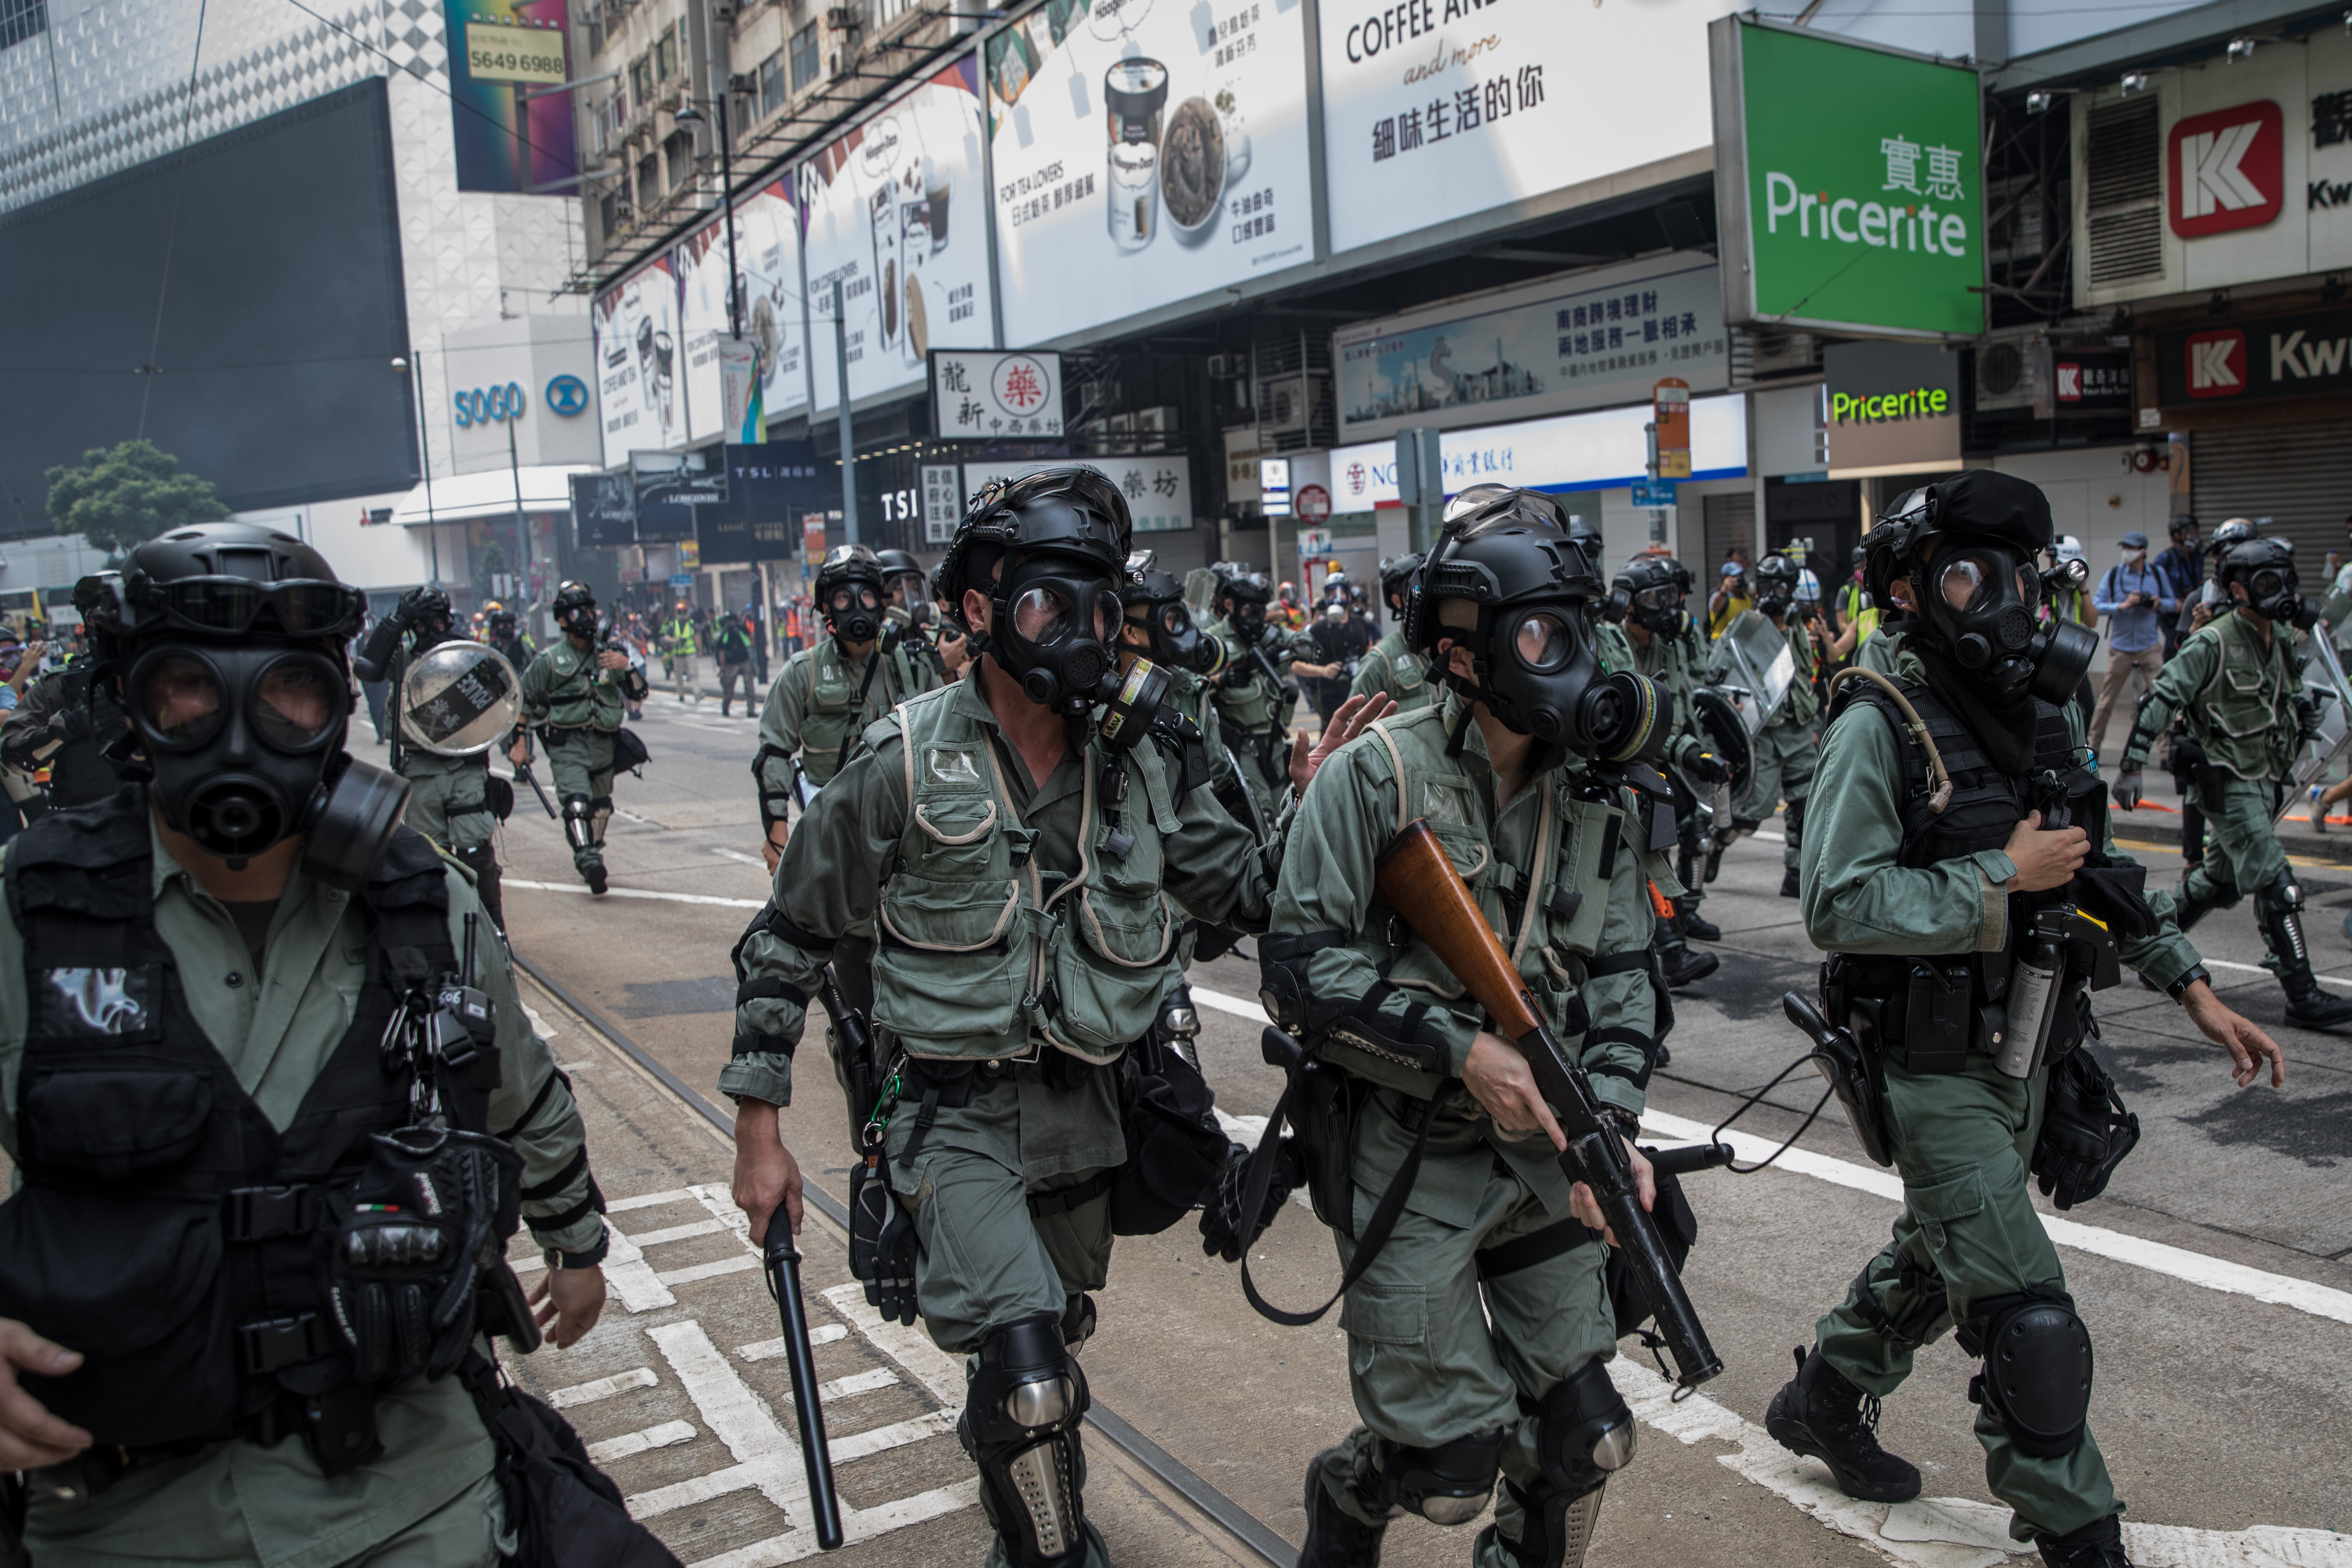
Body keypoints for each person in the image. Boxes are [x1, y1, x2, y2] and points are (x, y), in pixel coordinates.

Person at [725, 467, 1361, 1568]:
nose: (1081, 634)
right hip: (950, 1116)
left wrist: (1327, 795)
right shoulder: (905, 761)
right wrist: (758, 1129)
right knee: (1025, 1373)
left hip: (1088, 1116)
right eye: (1046, 607)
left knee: (1051, 1349)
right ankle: (1046, 1556)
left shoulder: (1140, 765)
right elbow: (786, 936)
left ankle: (1042, 1494)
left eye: (1101, 611)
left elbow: (1254, 893)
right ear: (979, 611)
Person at [0, 521, 614, 1567]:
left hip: (416, 1495)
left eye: (289, 688)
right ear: (130, 701)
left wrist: (577, 1240)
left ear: (335, 705)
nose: (241, 728)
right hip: (123, 1523)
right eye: (189, 684)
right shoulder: (30, 918)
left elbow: (522, 1092)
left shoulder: (426, 905)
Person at [1783, 472, 2283, 1568]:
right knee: (2024, 1311)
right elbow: (1834, 903)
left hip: (2030, 1046)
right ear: (1912, 593)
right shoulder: (1878, 721)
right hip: (1929, 1063)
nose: (1998, 598)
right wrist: (1995, 877)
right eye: (1966, 575)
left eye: (2012, 574)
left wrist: (2191, 988)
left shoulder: (2039, 712)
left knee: (1939, 1248)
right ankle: (2075, 1531)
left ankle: (1820, 1397)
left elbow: (2095, 870)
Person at [1258, 486, 1676, 1568]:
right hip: (1410, 1160)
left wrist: (1610, 1124)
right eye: (1540, 635)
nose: (1572, 658)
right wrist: (1460, 1048)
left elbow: (1627, 973)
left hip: (1541, 1157)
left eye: (1578, 632)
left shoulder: (1592, 799)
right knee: (1444, 1475)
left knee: (1589, 1441)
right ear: (1458, 656)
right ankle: (1351, 1494)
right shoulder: (1372, 775)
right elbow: (1297, 972)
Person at [2114, 536, 2352, 1027]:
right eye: (2267, 583)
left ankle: (2149, 952)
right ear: (2238, 590)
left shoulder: (2280, 639)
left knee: (2217, 882)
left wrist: (2303, 712)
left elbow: (2286, 697)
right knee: (2276, 882)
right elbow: (2157, 699)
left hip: (2264, 776)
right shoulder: (2214, 641)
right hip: (2226, 779)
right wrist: (2131, 766)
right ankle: (2302, 996)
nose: (2280, 592)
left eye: (2285, 580)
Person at [751, 544, 938, 871]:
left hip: (905, 828)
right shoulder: (802, 672)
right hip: (831, 829)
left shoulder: (914, 667)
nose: (856, 606)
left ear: (880, 602)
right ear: (826, 607)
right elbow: (774, 754)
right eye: (842, 597)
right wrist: (777, 833)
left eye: (866, 595)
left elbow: (947, 743)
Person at [352, 587, 513, 929]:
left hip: (465, 765)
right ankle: (444, 930)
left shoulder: (466, 653)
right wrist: (396, 624)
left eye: (437, 622)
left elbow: (501, 689)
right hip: (421, 766)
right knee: (429, 859)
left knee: (476, 853)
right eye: (423, 625)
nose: (431, 630)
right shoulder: (405, 657)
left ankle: (494, 927)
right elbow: (367, 667)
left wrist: (456, 644)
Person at [1610, 552, 1729, 962]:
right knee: (1649, 841)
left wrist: (1704, 750)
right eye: (1655, 599)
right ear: (1628, 603)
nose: (1667, 608)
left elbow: (1685, 698)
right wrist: (1686, 751)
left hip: (1666, 754)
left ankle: (1686, 912)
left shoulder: (1668, 644)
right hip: (1623, 761)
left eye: (1669, 597)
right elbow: (1639, 720)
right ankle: (1671, 948)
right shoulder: (1610, 641)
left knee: (1698, 832)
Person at [511, 581, 649, 896]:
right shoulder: (549, 660)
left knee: (600, 807)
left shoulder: (611, 655)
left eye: (590, 610)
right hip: (567, 744)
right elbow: (522, 699)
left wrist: (627, 668)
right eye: (578, 612)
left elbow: (639, 692)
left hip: (604, 743)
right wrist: (519, 742)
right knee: (576, 803)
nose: (587, 617)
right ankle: (588, 860)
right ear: (562, 619)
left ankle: (593, 845)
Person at [1710, 553, 1819, 899]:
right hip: (1764, 734)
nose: (1775, 592)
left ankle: (1796, 873)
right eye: (1768, 584)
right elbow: (1716, 674)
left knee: (1806, 805)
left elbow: (1803, 674)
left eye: (1782, 586)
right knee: (1754, 810)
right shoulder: (1745, 627)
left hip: (1797, 730)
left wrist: (1813, 721)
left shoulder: (1797, 626)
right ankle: (1713, 844)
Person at [1205, 563, 1331, 819]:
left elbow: (1312, 647)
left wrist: (1285, 651)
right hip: (1240, 744)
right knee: (1258, 813)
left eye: (1261, 611)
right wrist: (1223, 678)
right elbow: (1192, 684)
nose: (1256, 618)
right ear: (1230, 606)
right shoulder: (1213, 639)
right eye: (1249, 610)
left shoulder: (1270, 634)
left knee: (1289, 811)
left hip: (1275, 741)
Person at [2087, 532, 2173, 759]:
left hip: (2149, 646)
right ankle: (2093, 748)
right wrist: (2122, 606)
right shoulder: (2114, 574)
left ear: (2143, 551)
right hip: (2121, 648)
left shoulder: (2157, 574)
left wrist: (2158, 603)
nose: (2126, 551)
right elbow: (2098, 605)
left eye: (2131, 547)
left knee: (2163, 698)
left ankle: (2167, 752)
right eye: (2124, 546)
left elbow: (2173, 603)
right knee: (2106, 701)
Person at [1351, 553, 1437, 714]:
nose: (1426, 596)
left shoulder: (1453, 650)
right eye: (1417, 589)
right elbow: (1354, 727)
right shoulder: (1380, 661)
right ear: (1398, 601)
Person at [1308, 576, 1372, 728]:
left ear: (1349, 596)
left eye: (1341, 592)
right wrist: (1323, 671)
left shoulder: (1360, 623)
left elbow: (1369, 649)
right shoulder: (1318, 629)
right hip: (1331, 698)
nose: (1336, 597)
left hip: (1360, 694)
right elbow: (1297, 665)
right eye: (1331, 593)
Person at [2150, 516, 2204, 659]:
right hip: (2171, 615)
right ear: (2177, 535)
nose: (2194, 536)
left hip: (2191, 609)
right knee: (2175, 645)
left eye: (2195, 532)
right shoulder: (2166, 558)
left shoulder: (2198, 556)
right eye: (2189, 532)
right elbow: (2152, 585)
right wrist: (2171, 604)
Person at [713, 607, 756, 717]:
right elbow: (722, 653)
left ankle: (751, 710)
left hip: (743, 661)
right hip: (732, 664)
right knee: (729, 689)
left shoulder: (740, 630)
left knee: (749, 687)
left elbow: (750, 640)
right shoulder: (725, 634)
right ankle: (726, 708)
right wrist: (723, 669)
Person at [1706, 549, 1752, 637]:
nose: (1738, 579)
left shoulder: (1747, 598)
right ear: (1725, 578)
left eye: (1740, 576)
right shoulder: (1720, 597)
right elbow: (1715, 607)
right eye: (1735, 576)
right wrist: (1723, 592)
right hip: (1721, 645)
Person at [660, 599, 698, 705]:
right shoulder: (673, 625)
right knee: (679, 676)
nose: (682, 614)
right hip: (678, 655)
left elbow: (696, 636)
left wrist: (699, 650)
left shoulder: (691, 624)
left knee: (694, 674)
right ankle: (681, 694)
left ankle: (697, 693)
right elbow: (666, 638)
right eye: (680, 612)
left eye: (684, 612)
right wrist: (676, 640)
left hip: (690, 653)